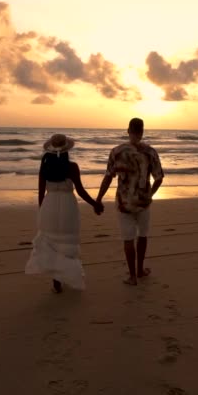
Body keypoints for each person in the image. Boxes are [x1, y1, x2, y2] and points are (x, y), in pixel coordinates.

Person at [25, 133, 103, 293]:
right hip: (68, 206)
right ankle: (67, 275)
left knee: (52, 243)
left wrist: (42, 210)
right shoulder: (72, 167)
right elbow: (80, 191)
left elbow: (40, 192)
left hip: (49, 205)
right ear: (67, 149)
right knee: (67, 244)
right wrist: (95, 204)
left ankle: (57, 282)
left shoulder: (45, 164)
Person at [95, 118, 164, 286]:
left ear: (128, 130)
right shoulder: (150, 152)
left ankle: (132, 276)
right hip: (143, 203)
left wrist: (98, 199)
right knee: (142, 235)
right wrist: (150, 194)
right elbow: (159, 178)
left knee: (128, 239)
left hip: (124, 203)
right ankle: (140, 269)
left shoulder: (117, 151)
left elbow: (108, 177)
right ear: (142, 131)